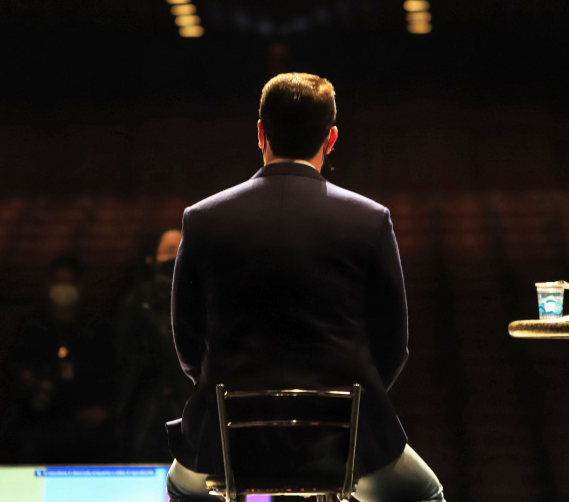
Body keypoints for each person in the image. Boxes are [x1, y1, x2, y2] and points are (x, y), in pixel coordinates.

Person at [166, 73, 445, 502]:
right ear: (331, 138)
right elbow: (393, 345)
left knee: (181, 489)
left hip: (227, 438)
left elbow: (188, 344)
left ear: (260, 132)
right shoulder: (370, 220)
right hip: (344, 437)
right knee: (426, 494)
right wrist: (350, 407)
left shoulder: (202, 218)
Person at [4, 255, 116, 463]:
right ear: (48, 284)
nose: (63, 288)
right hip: (40, 422)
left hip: (86, 425)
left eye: (69, 282)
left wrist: (102, 409)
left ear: (80, 285)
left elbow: (110, 374)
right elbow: (17, 369)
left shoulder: (97, 329)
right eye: (58, 281)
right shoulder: (31, 328)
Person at [114, 228, 191, 461]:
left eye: (180, 249)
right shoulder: (137, 300)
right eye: (169, 250)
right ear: (152, 259)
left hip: (191, 398)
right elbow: (128, 354)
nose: (174, 257)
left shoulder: (202, 297)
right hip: (147, 398)